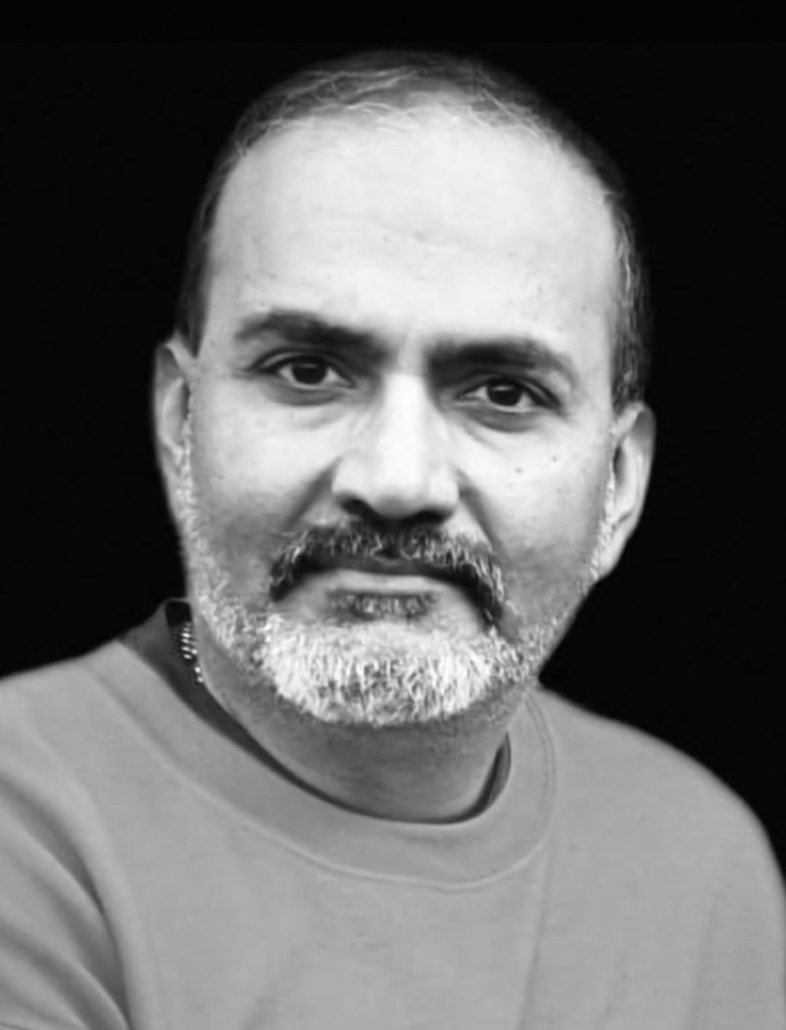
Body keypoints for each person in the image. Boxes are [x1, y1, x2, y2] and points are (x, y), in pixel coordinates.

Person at [1, 48, 783, 1029]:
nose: (398, 480)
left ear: (619, 486)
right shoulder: (25, 826)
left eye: (504, 392)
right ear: (179, 424)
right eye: (308, 370)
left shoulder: (702, 862)